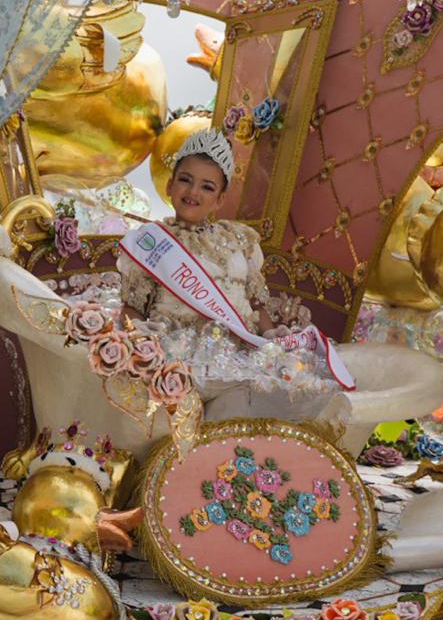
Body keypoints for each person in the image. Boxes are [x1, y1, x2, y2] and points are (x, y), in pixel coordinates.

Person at [117, 129, 349, 421]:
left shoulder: (241, 240)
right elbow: (133, 308)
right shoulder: (151, 243)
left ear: (219, 199)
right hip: (179, 357)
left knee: (299, 388)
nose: (193, 192)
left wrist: (273, 343)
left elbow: (256, 305)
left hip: (237, 356)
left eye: (207, 187)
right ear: (170, 185)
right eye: (185, 181)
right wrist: (138, 350)